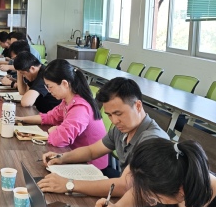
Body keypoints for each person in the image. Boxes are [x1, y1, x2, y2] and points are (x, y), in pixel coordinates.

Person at [38, 77, 169, 194]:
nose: (114, 121)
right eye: (109, 115)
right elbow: (91, 151)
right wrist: (62, 157)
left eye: (118, 113)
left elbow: (125, 186)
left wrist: (69, 184)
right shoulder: (122, 129)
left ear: (138, 106)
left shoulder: (152, 140)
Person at [16, 59, 107, 168]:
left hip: (90, 165)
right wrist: (21, 119)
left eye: (50, 86)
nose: (49, 91)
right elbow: (50, 117)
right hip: (73, 155)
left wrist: (54, 130)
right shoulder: (67, 100)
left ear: (64, 83)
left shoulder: (80, 108)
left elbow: (60, 139)